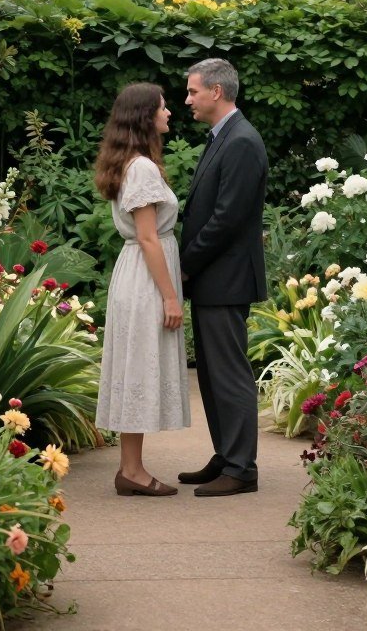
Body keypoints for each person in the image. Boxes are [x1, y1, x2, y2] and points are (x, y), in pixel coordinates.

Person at [94, 82, 190, 497]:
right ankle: (131, 470)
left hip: (136, 274)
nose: (169, 113)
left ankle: (130, 468)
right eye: (163, 108)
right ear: (145, 116)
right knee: (138, 368)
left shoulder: (130, 164)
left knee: (136, 367)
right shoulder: (143, 169)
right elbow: (149, 238)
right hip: (146, 279)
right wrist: (171, 296)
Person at [179, 58, 268, 497]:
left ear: (217, 92)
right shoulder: (224, 137)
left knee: (229, 373)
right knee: (213, 375)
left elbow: (226, 220)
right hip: (215, 279)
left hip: (226, 278)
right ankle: (227, 455)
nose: (187, 99)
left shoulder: (242, 142)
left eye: (193, 91)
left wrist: (185, 263)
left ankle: (241, 468)